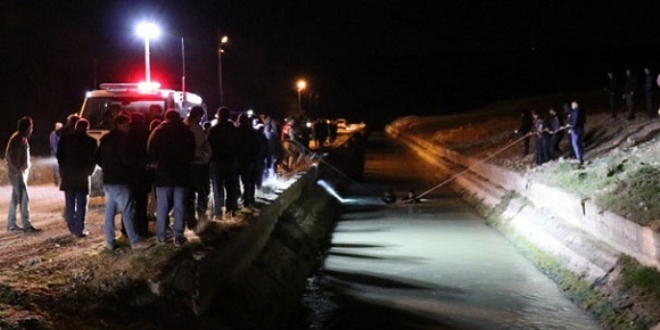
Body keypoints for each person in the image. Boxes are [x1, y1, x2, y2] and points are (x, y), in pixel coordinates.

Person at [97, 114, 150, 250]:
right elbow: (128, 159)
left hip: (108, 179)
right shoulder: (124, 139)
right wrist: (143, 163)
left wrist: (107, 167)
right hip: (121, 179)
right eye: (127, 124)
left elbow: (97, 157)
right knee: (128, 211)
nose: (129, 126)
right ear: (122, 124)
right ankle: (134, 240)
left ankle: (110, 241)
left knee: (110, 212)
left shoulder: (105, 138)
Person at [148, 109, 195, 246]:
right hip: (181, 174)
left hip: (163, 175)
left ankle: (161, 236)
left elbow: (151, 150)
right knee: (179, 205)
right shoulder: (187, 133)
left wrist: (157, 162)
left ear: (166, 118)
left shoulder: (158, 132)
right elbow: (191, 153)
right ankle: (178, 236)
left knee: (162, 206)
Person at [5, 116, 39, 233]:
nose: (32, 129)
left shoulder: (22, 138)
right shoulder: (17, 139)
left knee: (16, 198)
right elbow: (11, 157)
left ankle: (11, 224)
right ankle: (26, 224)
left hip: (20, 173)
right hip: (16, 174)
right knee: (24, 197)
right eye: (31, 127)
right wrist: (18, 171)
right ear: (27, 127)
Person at [208, 107, 242, 220]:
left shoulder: (213, 130)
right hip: (231, 162)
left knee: (217, 188)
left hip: (217, 162)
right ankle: (231, 210)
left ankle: (218, 213)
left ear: (219, 115)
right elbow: (239, 146)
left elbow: (208, 147)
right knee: (231, 187)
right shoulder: (235, 130)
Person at [184, 106, 211, 230]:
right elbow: (201, 144)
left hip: (187, 165)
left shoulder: (184, 125)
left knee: (189, 194)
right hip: (199, 165)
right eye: (201, 116)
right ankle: (201, 217)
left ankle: (190, 219)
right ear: (198, 116)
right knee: (202, 192)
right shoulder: (196, 128)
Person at [568, 100, 586, 166]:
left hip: (576, 130)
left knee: (575, 143)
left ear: (575, 105)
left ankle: (579, 158)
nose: (572, 107)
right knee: (579, 143)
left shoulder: (576, 111)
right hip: (581, 128)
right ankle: (580, 157)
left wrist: (571, 128)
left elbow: (575, 121)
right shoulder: (582, 111)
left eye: (572, 105)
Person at [49, 122, 63, 186]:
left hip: (61, 154)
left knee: (61, 168)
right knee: (56, 169)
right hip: (55, 154)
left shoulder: (62, 134)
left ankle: (61, 182)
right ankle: (56, 182)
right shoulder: (54, 134)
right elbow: (53, 145)